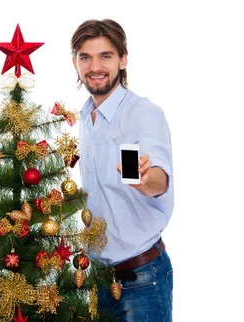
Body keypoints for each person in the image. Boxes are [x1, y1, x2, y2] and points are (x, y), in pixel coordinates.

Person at [71, 19, 174, 321]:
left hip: (141, 278)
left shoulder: (143, 113)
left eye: (106, 56)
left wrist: (146, 180)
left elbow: (160, 177)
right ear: (75, 62)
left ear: (123, 60)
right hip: (97, 278)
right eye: (85, 57)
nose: (95, 67)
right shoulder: (85, 114)